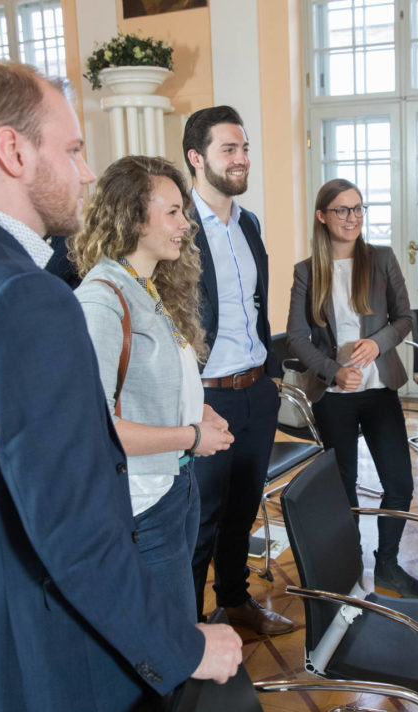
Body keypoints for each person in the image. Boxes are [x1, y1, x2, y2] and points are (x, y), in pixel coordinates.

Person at [0, 59, 241, 711]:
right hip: (41, 657)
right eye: (72, 149)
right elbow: (74, 526)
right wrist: (181, 645)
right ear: (12, 150)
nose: (85, 172)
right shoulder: (26, 297)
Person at [71, 155, 234, 623]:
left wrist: (196, 414)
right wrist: (191, 436)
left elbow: (151, 387)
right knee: (168, 633)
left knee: (176, 621)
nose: (186, 224)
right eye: (173, 212)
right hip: (141, 499)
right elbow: (96, 429)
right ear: (133, 219)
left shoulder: (147, 286)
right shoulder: (101, 301)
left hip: (175, 482)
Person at [285, 178, 418, 598]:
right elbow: (295, 337)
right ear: (322, 216)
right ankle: (350, 568)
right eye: (343, 210)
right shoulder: (307, 271)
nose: (353, 218)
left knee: (399, 484)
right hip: (334, 398)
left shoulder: (381, 259)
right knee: (343, 488)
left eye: (358, 208)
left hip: (380, 389)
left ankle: (387, 566)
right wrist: (333, 371)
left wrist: (378, 342)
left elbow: (405, 318)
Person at [184, 105, 293, 635]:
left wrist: (271, 373)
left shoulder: (248, 223)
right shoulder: (178, 227)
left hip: (256, 390)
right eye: (229, 149)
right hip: (206, 397)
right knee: (199, 521)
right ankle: (186, 629)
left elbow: (257, 304)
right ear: (196, 158)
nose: (241, 158)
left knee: (242, 510)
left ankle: (235, 600)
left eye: (244, 148)